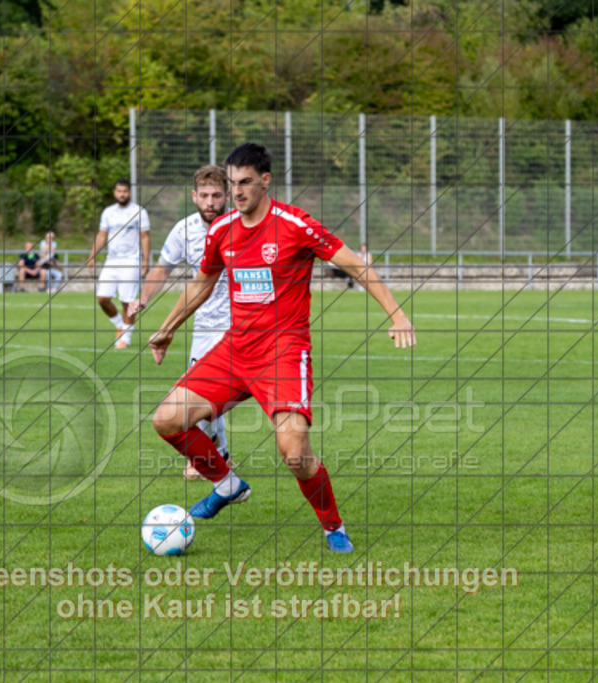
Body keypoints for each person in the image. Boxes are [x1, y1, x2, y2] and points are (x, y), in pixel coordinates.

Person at [146, 142, 416, 554]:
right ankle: (227, 483)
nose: (236, 193)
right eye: (232, 183)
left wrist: (397, 315)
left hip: (283, 352)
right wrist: (167, 328)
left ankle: (333, 527)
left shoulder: (294, 224)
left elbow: (355, 265)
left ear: (265, 180)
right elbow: (202, 283)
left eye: (245, 183)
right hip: (235, 349)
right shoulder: (221, 231)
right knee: (166, 419)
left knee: (293, 452)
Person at [127, 165, 234, 480]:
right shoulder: (184, 230)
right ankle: (220, 450)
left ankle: (215, 452)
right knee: (200, 391)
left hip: (243, 325)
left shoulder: (242, 226)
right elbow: (163, 267)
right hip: (204, 327)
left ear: (227, 195)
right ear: (194, 196)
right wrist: (144, 297)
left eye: (217, 195)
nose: (210, 202)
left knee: (201, 394)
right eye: (204, 195)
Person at [86, 179, 150, 349]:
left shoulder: (139, 212)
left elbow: (145, 236)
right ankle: (119, 325)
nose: (122, 194)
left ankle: (125, 338)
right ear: (115, 193)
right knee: (102, 299)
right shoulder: (108, 212)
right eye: (119, 191)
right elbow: (101, 236)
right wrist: (92, 256)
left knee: (127, 301)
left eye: (125, 191)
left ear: (130, 192)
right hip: (111, 261)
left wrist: (146, 260)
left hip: (131, 261)